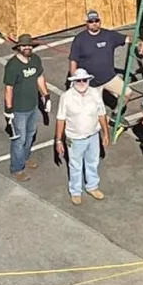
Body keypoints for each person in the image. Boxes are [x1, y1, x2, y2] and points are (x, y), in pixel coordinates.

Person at [55, 68, 109, 204]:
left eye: (84, 80)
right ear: (73, 81)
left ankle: (92, 186)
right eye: (78, 80)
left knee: (93, 162)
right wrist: (58, 141)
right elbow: (60, 119)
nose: (81, 82)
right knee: (75, 165)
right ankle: (75, 191)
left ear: (88, 80)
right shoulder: (66, 97)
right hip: (75, 138)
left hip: (93, 136)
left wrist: (105, 133)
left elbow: (101, 114)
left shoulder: (95, 93)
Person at [2, 35, 47, 178]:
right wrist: (9, 110)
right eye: (24, 46)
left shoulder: (35, 60)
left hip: (33, 106)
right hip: (19, 110)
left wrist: (46, 95)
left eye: (30, 45)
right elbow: (8, 88)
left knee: (30, 134)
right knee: (19, 139)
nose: (27, 48)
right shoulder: (12, 66)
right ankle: (17, 168)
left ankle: (25, 158)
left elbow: (40, 77)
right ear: (18, 48)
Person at [68, 10, 128, 94]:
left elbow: (127, 38)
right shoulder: (79, 39)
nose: (94, 23)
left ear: (100, 21)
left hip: (109, 78)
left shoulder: (109, 35)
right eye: (91, 21)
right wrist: (74, 79)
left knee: (127, 93)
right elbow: (73, 60)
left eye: (96, 21)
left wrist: (140, 43)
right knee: (92, 105)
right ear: (86, 23)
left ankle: (119, 107)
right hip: (90, 82)